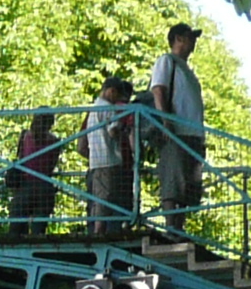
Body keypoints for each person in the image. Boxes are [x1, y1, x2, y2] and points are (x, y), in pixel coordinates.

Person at [147, 22, 207, 231]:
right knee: (174, 182)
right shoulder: (167, 61)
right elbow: (158, 90)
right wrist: (166, 121)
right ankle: (172, 227)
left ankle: (179, 228)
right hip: (175, 132)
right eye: (191, 37)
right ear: (178, 39)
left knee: (188, 186)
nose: (194, 42)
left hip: (192, 134)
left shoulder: (188, 70)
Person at [81, 77, 136, 237]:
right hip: (109, 159)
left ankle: (95, 230)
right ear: (111, 91)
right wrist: (122, 128)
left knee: (98, 197)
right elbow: (113, 132)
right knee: (107, 198)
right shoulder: (107, 108)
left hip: (95, 161)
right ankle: (101, 231)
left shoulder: (93, 109)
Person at [8, 110, 62, 238]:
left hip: (25, 185)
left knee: (16, 226)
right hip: (44, 186)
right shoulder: (55, 141)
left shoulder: (25, 136)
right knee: (39, 229)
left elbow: (20, 158)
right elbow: (51, 166)